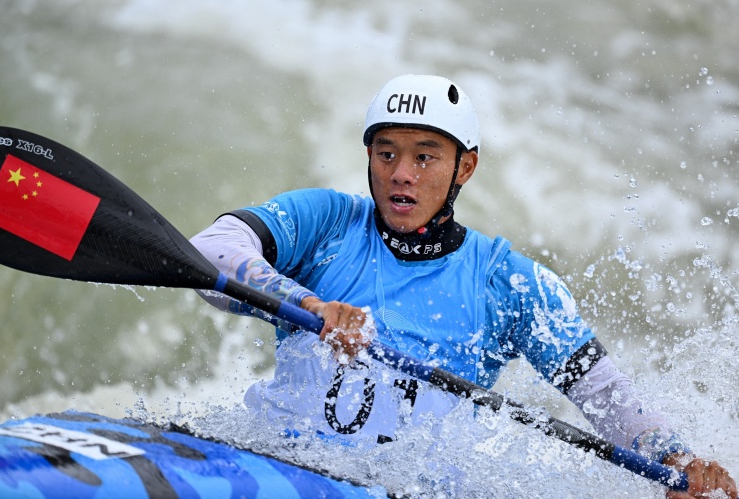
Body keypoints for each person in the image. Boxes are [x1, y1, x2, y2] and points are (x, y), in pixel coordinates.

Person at [190, 74, 736, 498]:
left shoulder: (507, 282)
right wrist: (308, 304)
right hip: (278, 466)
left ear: (464, 168)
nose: (401, 173)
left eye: (425, 156)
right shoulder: (325, 223)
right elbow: (210, 253)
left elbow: (601, 393)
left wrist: (677, 462)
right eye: (387, 153)